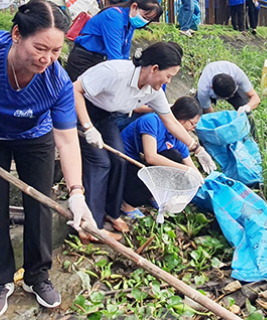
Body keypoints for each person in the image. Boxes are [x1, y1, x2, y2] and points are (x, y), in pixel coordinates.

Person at [0, 0, 96, 318]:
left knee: (38, 202)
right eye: (40, 48)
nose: (47, 59)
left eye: (55, 51)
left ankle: (37, 276)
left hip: (33, 138)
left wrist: (77, 193)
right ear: (16, 34)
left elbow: (66, 140)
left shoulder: (57, 82)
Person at [73, 42, 216, 233]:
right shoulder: (116, 72)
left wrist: (197, 149)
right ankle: (92, 225)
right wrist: (88, 127)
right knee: (100, 163)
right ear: (155, 68)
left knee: (119, 160)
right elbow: (75, 90)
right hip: (81, 110)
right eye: (168, 76)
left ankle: (112, 213)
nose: (168, 82)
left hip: (109, 116)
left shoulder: (152, 91)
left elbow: (171, 122)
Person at [120, 96, 202, 216]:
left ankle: (152, 196)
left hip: (140, 167)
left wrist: (200, 180)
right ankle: (127, 205)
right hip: (125, 164)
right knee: (173, 158)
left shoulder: (178, 137)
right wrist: (185, 170)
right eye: (192, 123)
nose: (193, 128)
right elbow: (151, 157)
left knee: (176, 160)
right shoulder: (153, 121)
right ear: (181, 118)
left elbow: (189, 163)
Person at [66, 0, 162, 82]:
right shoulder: (113, 17)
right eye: (144, 17)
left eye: (148, 20)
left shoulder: (130, 23)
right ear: (134, 6)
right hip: (83, 60)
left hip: (100, 62)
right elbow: (115, 55)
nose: (144, 22)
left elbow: (124, 53)